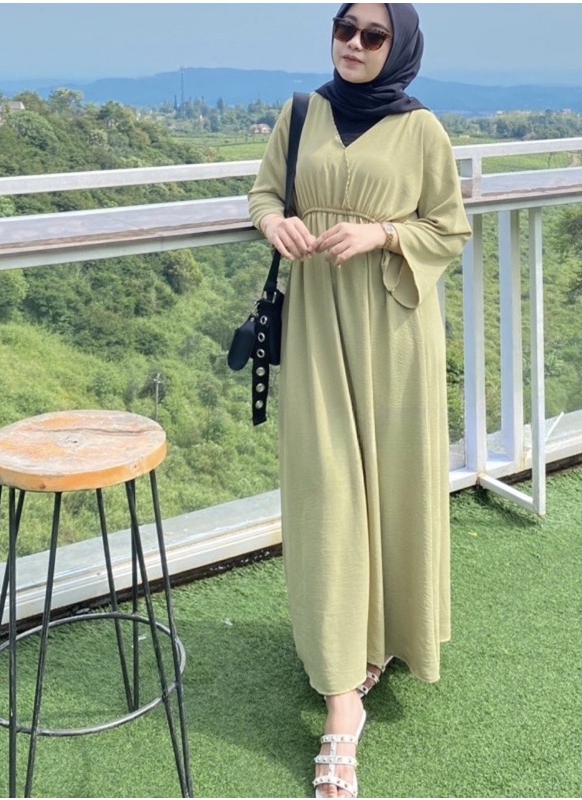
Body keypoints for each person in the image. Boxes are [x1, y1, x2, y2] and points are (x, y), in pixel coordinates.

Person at [248, 4, 471, 797]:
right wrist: (274, 223)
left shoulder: (422, 130)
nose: (354, 43)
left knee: (396, 485)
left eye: (373, 35)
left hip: (395, 328)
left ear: (398, 46)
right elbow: (264, 194)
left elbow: (449, 228)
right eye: (345, 27)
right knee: (327, 488)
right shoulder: (300, 113)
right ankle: (343, 692)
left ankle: (386, 639)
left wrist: (382, 234)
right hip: (317, 325)